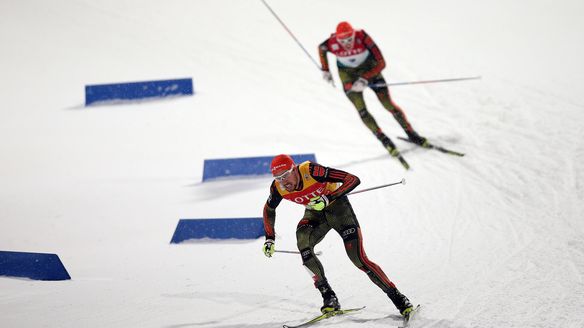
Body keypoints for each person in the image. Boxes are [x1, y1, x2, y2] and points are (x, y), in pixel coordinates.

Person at [261, 154, 414, 319]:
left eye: (285, 175)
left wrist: (329, 197)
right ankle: (329, 297)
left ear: (294, 169)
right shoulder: (277, 187)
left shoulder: (311, 170)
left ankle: (398, 298)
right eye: (278, 177)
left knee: (358, 259)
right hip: (315, 215)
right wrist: (269, 238)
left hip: (339, 211)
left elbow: (352, 179)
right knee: (303, 241)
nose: (283, 181)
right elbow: (269, 209)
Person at [318, 21, 429, 157]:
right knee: (362, 111)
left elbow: (381, 62)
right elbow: (321, 48)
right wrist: (325, 70)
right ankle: (383, 139)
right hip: (349, 77)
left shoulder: (362, 37)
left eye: (349, 38)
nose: (347, 43)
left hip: (371, 71)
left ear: (354, 34)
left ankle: (411, 133)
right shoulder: (331, 43)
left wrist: (365, 78)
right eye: (342, 40)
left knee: (388, 105)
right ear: (336, 38)